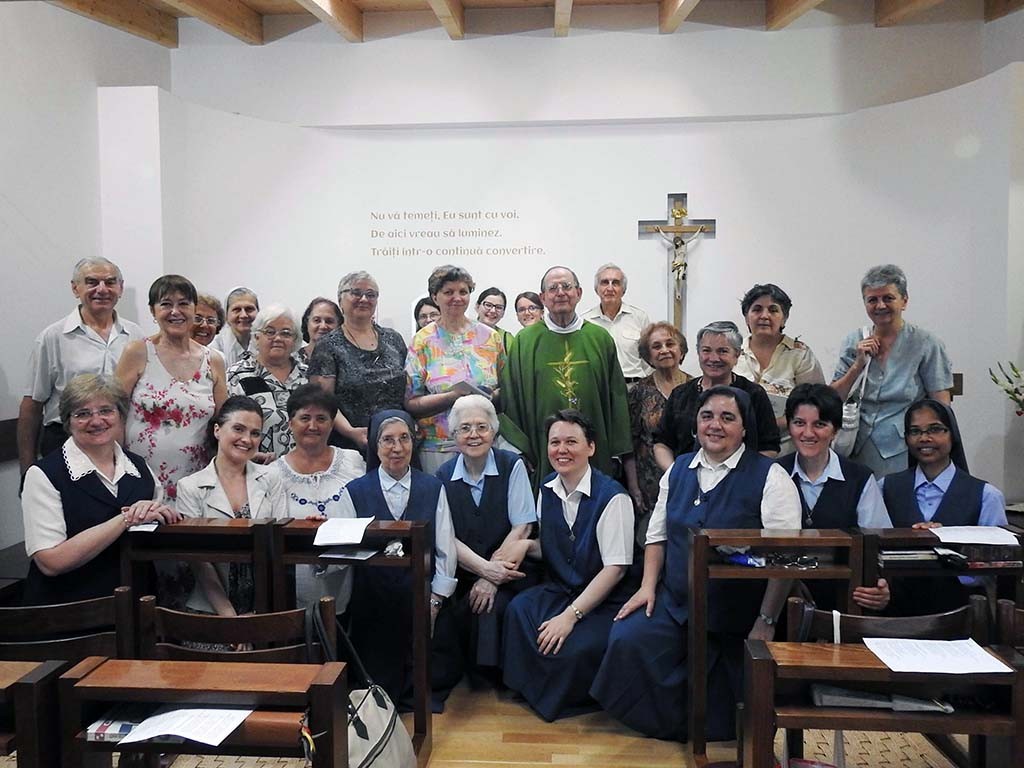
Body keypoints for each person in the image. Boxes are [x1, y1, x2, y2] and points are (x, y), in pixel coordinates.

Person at [591, 387, 800, 741]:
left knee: (734, 689)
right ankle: (665, 725)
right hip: (676, 605)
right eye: (707, 416)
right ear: (696, 424)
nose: (715, 425)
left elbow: (786, 559)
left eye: (727, 418)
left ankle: (704, 731)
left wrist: (766, 620)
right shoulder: (678, 470)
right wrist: (647, 587)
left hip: (736, 616)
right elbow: (657, 535)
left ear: (744, 428)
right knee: (628, 639)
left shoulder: (771, 477)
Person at [501, 410, 634, 721]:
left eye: (571, 442)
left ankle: (559, 697)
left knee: (571, 647)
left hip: (604, 598)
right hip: (562, 587)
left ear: (591, 447)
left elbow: (616, 569)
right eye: (555, 442)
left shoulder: (614, 498)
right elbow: (553, 544)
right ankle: (534, 688)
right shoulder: (546, 488)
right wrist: (525, 545)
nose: (561, 450)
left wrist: (570, 616)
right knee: (518, 611)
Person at [21, 374, 179, 605]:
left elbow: (156, 536)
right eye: (82, 414)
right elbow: (50, 562)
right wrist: (125, 519)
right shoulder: (43, 475)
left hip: (137, 607)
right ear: (67, 422)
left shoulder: (140, 467)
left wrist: (162, 515)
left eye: (106, 410)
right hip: (67, 612)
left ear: (120, 415)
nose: (96, 421)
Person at [339, 410, 458, 708]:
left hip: (421, 595)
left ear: (413, 442)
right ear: (375, 445)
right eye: (388, 440)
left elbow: (445, 547)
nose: (397, 448)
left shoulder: (433, 487)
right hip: (372, 599)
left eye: (404, 438)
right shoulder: (354, 492)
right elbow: (345, 555)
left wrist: (436, 600)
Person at [432, 395, 536, 698]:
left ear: (494, 431)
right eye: (465, 428)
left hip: (512, 570)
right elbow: (446, 537)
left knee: (492, 605)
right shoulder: (442, 476)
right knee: (461, 608)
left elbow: (522, 526)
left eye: (481, 426)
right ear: (454, 435)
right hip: (467, 572)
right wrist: (485, 570)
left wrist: (493, 576)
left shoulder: (512, 465)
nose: (474, 435)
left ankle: (499, 678)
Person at [18, 258, 143, 485]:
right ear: (75, 288)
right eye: (92, 282)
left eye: (110, 282)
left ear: (120, 288)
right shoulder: (53, 337)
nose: (102, 289)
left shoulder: (135, 335)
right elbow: (32, 405)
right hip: (66, 442)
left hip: (119, 446)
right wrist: (27, 471)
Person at [500, 266, 631, 484]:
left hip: (595, 449)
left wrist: (616, 451)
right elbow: (511, 397)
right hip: (543, 450)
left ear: (578, 293)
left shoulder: (600, 338)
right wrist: (522, 450)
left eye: (567, 286)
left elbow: (616, 396)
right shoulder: (525, 341)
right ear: (543, 297)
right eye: (553, 288)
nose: (560, 293)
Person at [879, 398, 1007, 615]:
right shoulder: (885, 488)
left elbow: (997, 565)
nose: (925, 438)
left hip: (962, 613)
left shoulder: (987, 496)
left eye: (935, 429)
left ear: (952, 435)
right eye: (915, 431)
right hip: (895, 613)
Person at [777, 384, 892, 611]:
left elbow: (879, 544)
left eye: (819, 424)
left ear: (835, 430)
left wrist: (882, 586)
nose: (808, 433)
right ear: (789, 426)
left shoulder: (859, 478)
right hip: (783, 599)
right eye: (799, 423)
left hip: (845, 598)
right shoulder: (774, 473)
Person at [831, 264, 953, 477]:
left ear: (904, 301)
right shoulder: (853, 341)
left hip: (904, 448)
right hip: (853, 444)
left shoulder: (926, 344)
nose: (880, 305)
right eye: (872, 300)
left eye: (888, 298)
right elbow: (833, 398)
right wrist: (857, 366)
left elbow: (941, 406)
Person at [117, 275, 228, 502]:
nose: (175, 311)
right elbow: (115, 414)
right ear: (153, 311)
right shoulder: (137, 352)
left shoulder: (214, 360)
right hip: (142, 481)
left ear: (194, 308)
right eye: (166, 304)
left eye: (183, 303)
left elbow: (224, 422)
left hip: (197, 482)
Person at [176, 396, 284, 616]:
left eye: (255, 433)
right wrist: (229, 616)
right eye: (238, 429)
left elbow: (278, 545)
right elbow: (199, 561)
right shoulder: (189, 487)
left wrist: (260, 611)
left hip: (264, 607)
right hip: (209, 609)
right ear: (217, 430)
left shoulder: (272, 478)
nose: (247, 439)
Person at [273, 384, 365, 614]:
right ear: (290, 423)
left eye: (321, 419)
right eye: (305, 418)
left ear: (332, 424)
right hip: (291, 584)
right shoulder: (273, 473)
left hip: (347, 576)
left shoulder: (352, 461)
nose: (313, 426)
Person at [405, 265, 505, 474]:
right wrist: (453, 397)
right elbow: (411, 403)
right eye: (448, 292)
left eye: (463, 292)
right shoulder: (422, 341)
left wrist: (488, 396)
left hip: (485, 444)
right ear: (435, 297)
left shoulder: (490, 337)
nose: (457, 298)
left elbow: (506, 388)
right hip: (439, 449)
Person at [653, 320, 780, 472]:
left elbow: (769, 447)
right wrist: (676, 474)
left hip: (738, 480)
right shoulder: (680, 394)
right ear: (698, 353)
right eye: (706, 350)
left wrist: (743, 477)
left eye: (722, 351)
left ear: (737, 355)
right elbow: (662, 443)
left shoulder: (754, 394)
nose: (713, 358)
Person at [308, 272, 408, 452]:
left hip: (397, 443)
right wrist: (350, 432)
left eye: (371, 295)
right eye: (356, 292)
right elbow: (322, 400)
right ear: (340, 300)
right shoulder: (327, 345)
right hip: (351, 443)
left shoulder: (394, 339)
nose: (364, 299)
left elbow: (408, 391)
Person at [732, 283, 824, 455]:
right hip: (736, 447)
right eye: (757, 309)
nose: (764, 316)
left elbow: (816, 404)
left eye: (773, 310)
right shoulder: (732, 352)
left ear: (784, 318)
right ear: (746, 317)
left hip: (787, 449)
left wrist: (772, 424)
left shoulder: (800, 354)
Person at [625, 322, 691, 546]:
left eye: (670, 344)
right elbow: (631, 442)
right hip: (650, 486)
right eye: (656, 346)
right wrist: (634, 487)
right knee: (650, 543)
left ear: (681, 350)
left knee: (688, 547)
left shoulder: (697, 387)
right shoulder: (639, 392)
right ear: (648, 356)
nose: (664, 350)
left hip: (690, 483)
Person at [226, 304, 308, 462]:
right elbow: (225, 427)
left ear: (295, 340)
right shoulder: (236, 376)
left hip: (303, 468)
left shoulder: (308, 376)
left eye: (286, 333)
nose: (278, 338)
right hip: (254, 467)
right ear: (257, 337)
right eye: (269, 332)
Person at [581, 263, 652, 385]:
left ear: (623, 290)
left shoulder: (639, 317)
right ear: (597, 289)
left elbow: (649, 356)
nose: (610, 288)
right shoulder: (585, 320)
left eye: (615, 283)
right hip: (600, 387)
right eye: (604, 282)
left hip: (634, 387)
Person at [210, 287, 259, 369]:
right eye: (237, 309)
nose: (243, 315)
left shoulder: (266, 343)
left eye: (249, 309)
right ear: (226, 315)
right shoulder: (214, 348)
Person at [297, 297, 342, 365]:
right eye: (317, 320)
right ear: (307, 323)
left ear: (339, 325)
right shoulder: (290, 361)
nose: (323, 326)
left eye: (329, 321)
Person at [475, 287, 514, 351]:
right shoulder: (463, 333)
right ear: (477, 306)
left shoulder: (507, 339)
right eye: (488, 305)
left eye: (499, 307)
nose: (493, 311)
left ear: (503, 313)